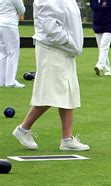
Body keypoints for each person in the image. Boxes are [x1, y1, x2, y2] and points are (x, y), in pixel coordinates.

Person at [12, 0, 89, 151]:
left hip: (66, 49)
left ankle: (67, 139)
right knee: (52, 91)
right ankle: (23, 129)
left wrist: (72, 45)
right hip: (52, 49)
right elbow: (50, 27)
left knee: (67, 90)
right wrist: (68, 42)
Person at [90, 0, 111, 76]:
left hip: (108, 26)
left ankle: (100, 66)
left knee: (104, 47)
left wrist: (110, 19)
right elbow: (94, 9)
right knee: (102, 48)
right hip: (97, 26)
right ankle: (108, 70)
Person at [0, 0, 25, 88]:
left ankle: (2, 80)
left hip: (1, 24)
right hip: (9, 24)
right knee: (13, 52)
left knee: (3, 53)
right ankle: (10, 81)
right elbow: (22, 10)